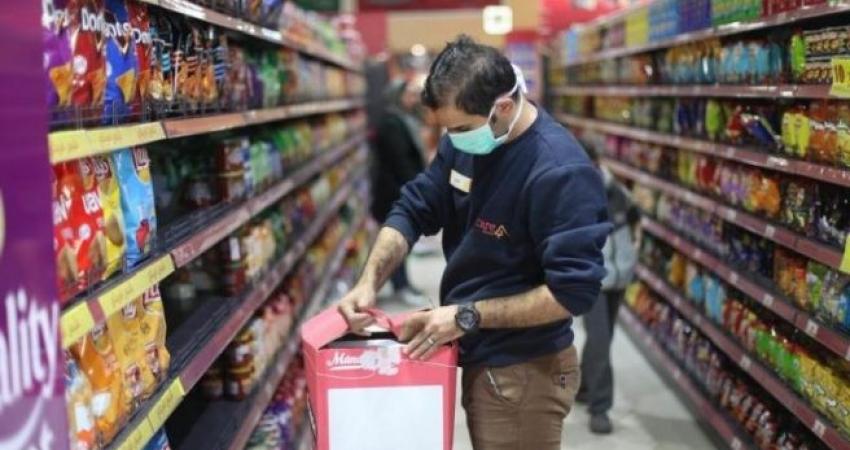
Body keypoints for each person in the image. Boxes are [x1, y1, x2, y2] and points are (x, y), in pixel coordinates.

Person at [338, 35, 611, 450]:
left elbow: (572, 293)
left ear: (504, 108)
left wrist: (465, 316)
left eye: (462, 128)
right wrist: (368, 280)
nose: (452, 138)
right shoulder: (466, 140)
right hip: (483, 354)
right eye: (446, 128)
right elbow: (415, 207)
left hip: (524, 370)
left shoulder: (560, 171)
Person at [576, 145, 641, 435]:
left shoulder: (618, 192)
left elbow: (636, 219)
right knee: (601, 339)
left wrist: (633, 252)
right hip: (593, 280)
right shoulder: (573, 194)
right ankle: (600, 408)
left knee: (602, 338)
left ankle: (584, 387)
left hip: (619, 279)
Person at [371, 77, 429, 306]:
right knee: (397, 241)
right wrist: (415, 186)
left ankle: (404, 284)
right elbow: (400, 160)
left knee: (404, 242)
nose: (413, 99)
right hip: (393, 192)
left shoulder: (404, 119)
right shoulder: (391, 123)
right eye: (408, 94)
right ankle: (400, 286)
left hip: (401, 188)